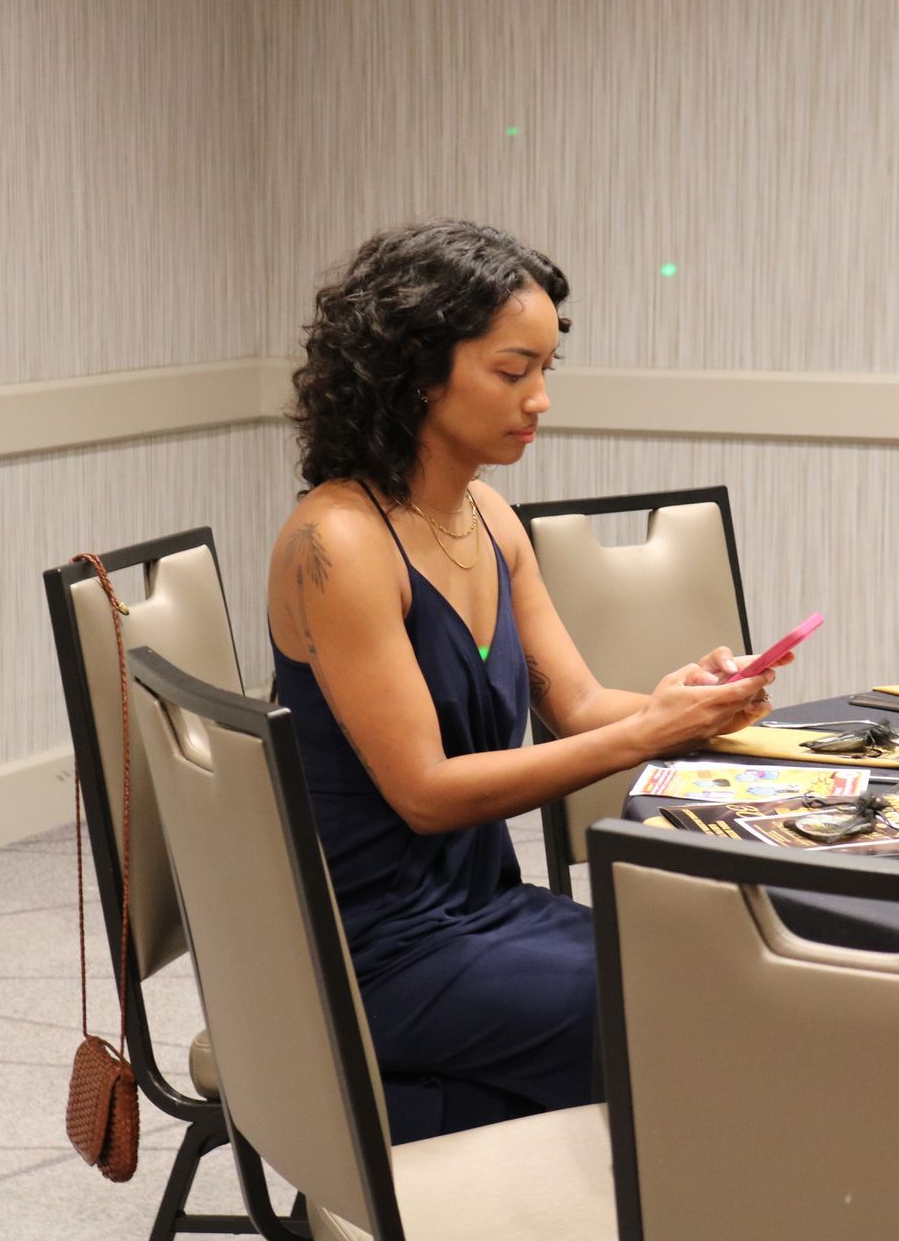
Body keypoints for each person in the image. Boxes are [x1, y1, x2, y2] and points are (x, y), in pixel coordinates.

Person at [268, 220, 787, 1142]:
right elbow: (426, 793)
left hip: (486, 908)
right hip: (377, 950)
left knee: (716, 970)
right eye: (513, 372)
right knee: (680, 1015)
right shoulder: (338, 542)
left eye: (546, 369)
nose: (540, 399)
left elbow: (579, 706)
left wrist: (682, 707)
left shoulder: (487, 516)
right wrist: (647, 735)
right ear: (416, 371)